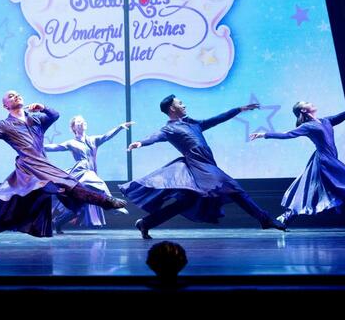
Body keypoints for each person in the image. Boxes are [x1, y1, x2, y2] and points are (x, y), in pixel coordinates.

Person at [0, 90, 127, 248]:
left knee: (23, 208)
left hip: (42, 164)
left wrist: (43, 107)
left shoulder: (37, 119)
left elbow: (55, 115)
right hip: (28, 168)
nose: (16, 96)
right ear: (5, 106)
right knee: (66, 184)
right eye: (11, 96)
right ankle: (106, 201)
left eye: (17, 94)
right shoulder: (4, 125)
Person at [121, 94, 286, 239]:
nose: (184, 105)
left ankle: (146, 223)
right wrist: (140, 142)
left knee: (186, 202)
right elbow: (155, 136)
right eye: (180, 103)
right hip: (198, 166)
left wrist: (239, 109)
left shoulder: (194, 124)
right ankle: (264, 219)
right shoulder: (169, 129)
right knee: (234, 188)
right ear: (172, 108)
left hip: (206, 163)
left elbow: (217, 119)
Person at [250, 89, 345, 225]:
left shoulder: (326, 121)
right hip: (325, 162)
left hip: (330, 160)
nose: (310, 102)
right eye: (306, 103)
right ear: (303, 110)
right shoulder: (307, 126)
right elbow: (287, 134)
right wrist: (264, 134)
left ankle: (286, 217)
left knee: (314, 192)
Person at [45, 115, 132, 233]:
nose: (81, 123)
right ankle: (113, 204)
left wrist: (119, 127)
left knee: (80, 207)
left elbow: (106, 136)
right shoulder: (71, 143)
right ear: (74, 128)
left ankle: (58, 222)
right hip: (81, 172)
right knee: (99, 183)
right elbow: (55, 147)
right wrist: (37, 146)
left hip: (90, 172)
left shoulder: (93, 140)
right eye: (78, 122)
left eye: (83, 121)